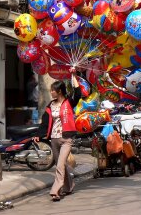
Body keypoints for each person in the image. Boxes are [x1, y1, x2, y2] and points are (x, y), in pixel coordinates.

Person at [33, 69, 81, 202]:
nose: (51, 92)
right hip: (54, 139)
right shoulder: (50, 105)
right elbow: (45, 122)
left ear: (59, 91)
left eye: (53, 90)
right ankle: (69, 186)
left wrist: (73, 75)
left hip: (66, 139)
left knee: (60, 164)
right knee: (61, 165)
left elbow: (78, 93)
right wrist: (38, 134)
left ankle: (55, 190)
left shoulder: (69, 102)